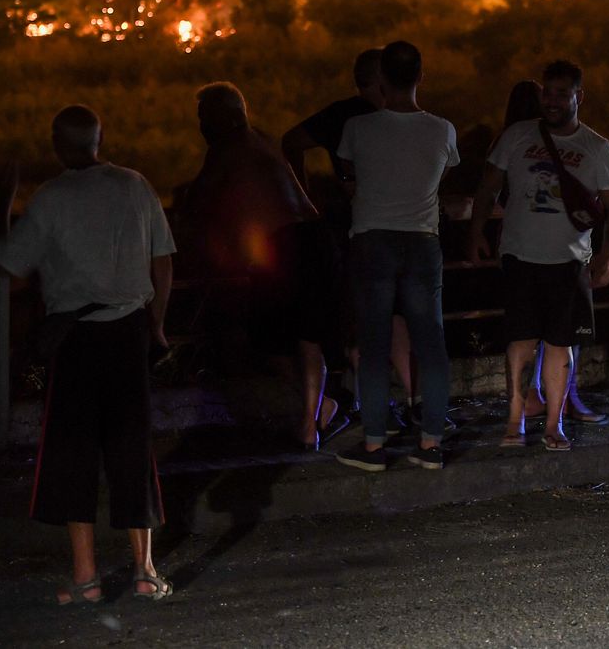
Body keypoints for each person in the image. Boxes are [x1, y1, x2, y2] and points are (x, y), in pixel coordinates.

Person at [0, 105, 175, 603]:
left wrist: (4, 204)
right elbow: (163, 260)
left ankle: (86, 577)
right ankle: (144, 570)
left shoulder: (51, 198)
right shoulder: (135, 184)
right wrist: (156, 324)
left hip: (75, 339)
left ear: (57, 143)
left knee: (72, 451)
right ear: (99, 139)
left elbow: (10, 262)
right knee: (131, 446)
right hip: (129, 332)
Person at [467, 62, 609, 451]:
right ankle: (514, 423)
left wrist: (606, 256)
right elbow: (488, 186)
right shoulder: (517, 136)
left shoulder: (597, 147)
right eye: (548, 93)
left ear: (579, 96)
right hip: (521, 255)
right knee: (520, 342)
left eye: (561, 93)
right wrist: (475, 232)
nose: (552, 101)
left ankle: (554, 426)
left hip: (569, 260)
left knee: (560, 345)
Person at [180, 82, 346, 449]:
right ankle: (317, 412)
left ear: (223, 118)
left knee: (272, 339)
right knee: (305, 337)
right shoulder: (262, 141)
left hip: (286, 243)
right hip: (313, 237)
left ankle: (310, 423)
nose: (202, 127)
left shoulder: (228, 149)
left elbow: (198, 201)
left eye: (204, 119)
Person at [335, 41, 460, 471]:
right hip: (423, 241)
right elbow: (442, 174)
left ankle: (373, 445)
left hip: (372, 241)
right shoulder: (443, 130)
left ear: (382, 79)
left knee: (373, 345)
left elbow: (348, 175)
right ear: (421, 77)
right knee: (431, 343)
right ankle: (430, 444)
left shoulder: (358, 128)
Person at [282, 49, 417, 431]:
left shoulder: (341, 115)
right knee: (380, 315)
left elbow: (291, 141)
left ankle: (369, 402)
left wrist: (306, 200)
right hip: (375, 230)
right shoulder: (377, 118)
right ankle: (383, 406)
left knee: (370, 316)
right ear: (380, 80)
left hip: (360, 228)